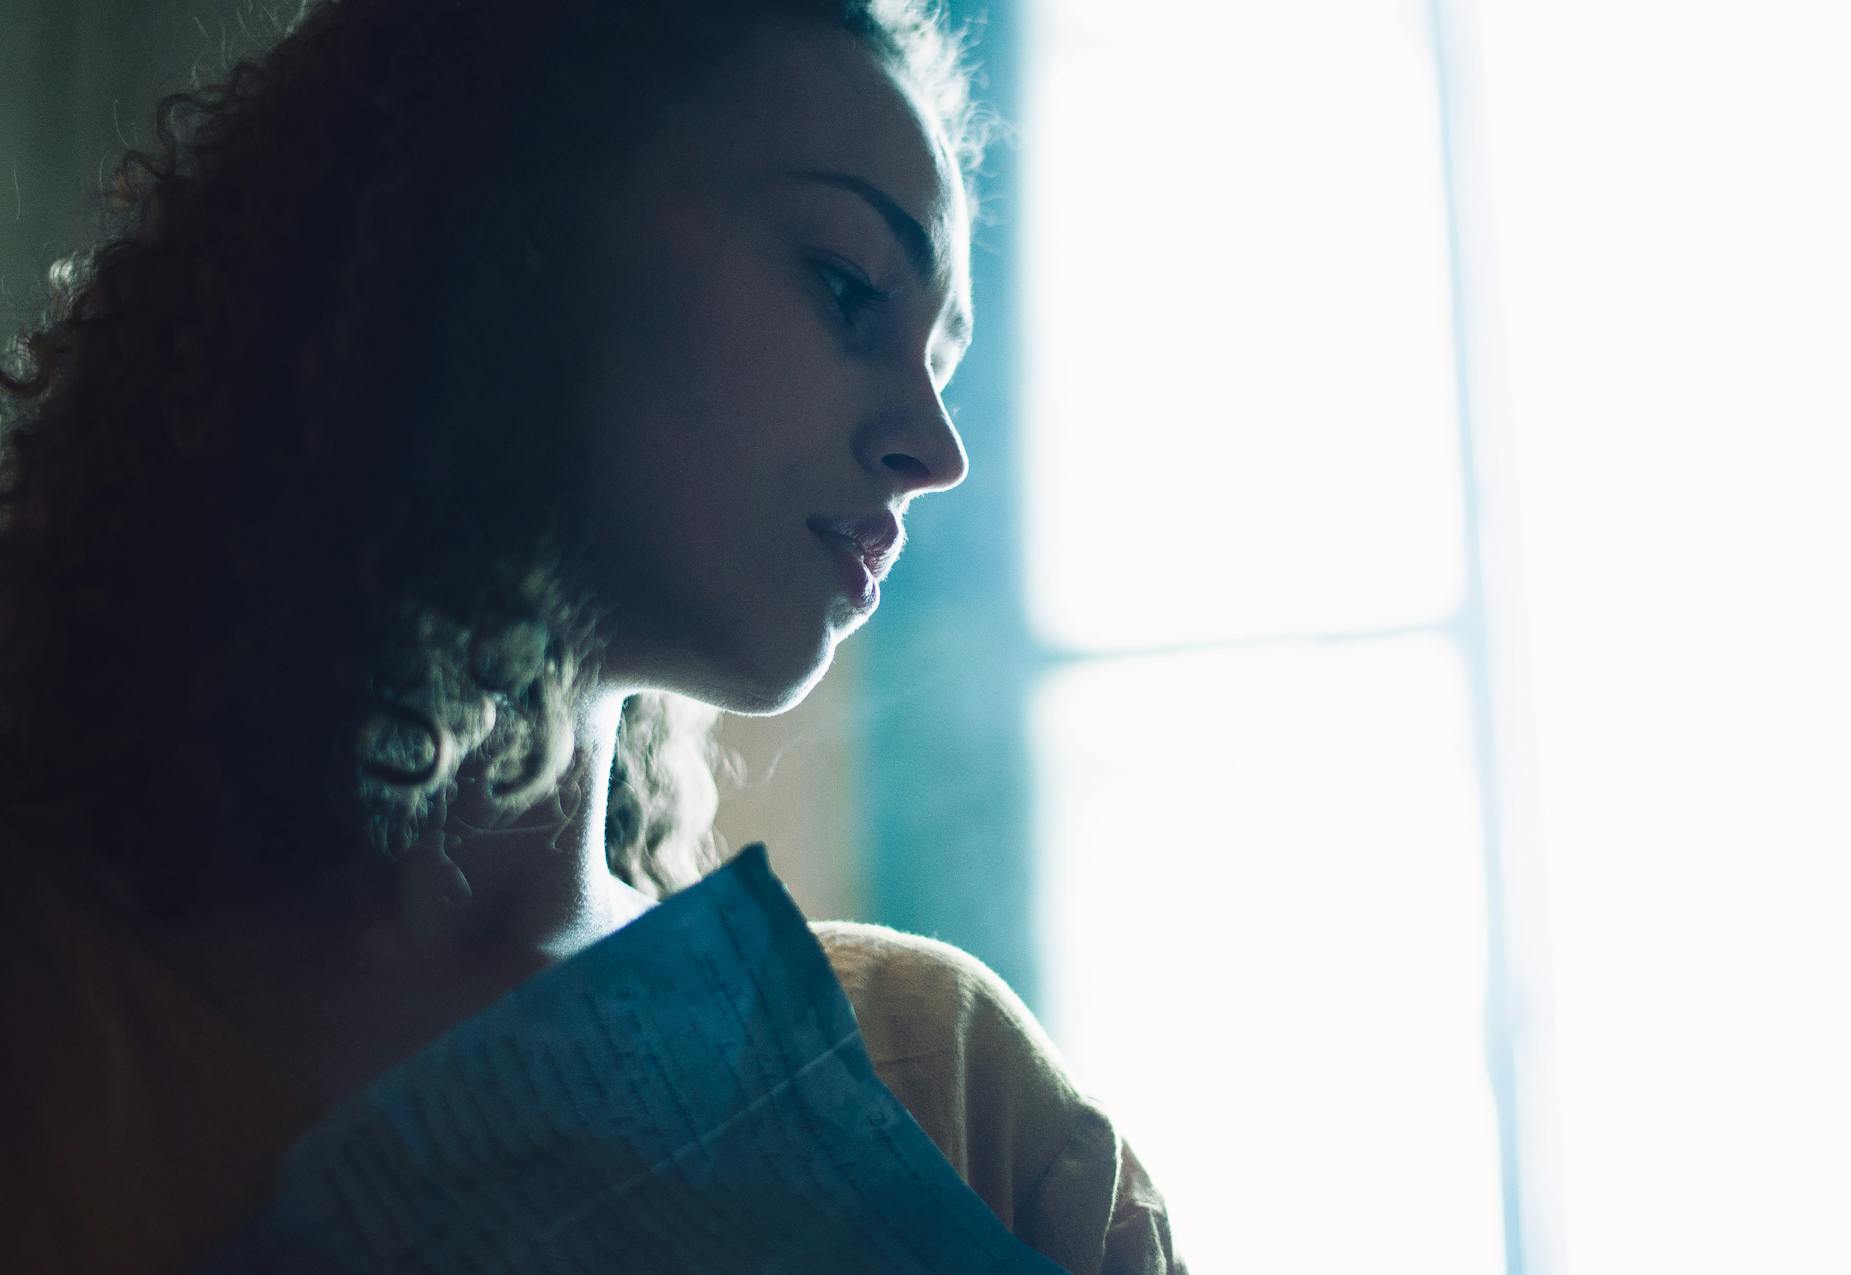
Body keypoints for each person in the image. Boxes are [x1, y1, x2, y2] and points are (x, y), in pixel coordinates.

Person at [0, 0, 1187, 1270]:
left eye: (942, 356)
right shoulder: (43, 1019)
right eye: (848, 288)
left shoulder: (948, 1094)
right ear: (502, 227)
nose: (935, 449)